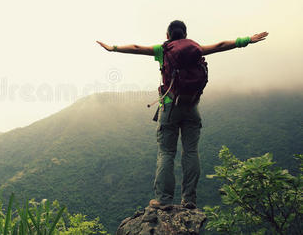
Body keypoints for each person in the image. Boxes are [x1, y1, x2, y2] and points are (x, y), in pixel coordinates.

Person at [96, 20, 268, 209]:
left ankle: (164, 200)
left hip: (170, 107)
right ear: (185, 35)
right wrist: (247, 40)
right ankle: (189, 200)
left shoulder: (163, 50)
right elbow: (220, 46)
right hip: (191, 107)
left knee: (167, 153)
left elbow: (137, 48)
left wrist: (112, 48)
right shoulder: (196, 49)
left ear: (167, 35)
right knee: (191, 152)